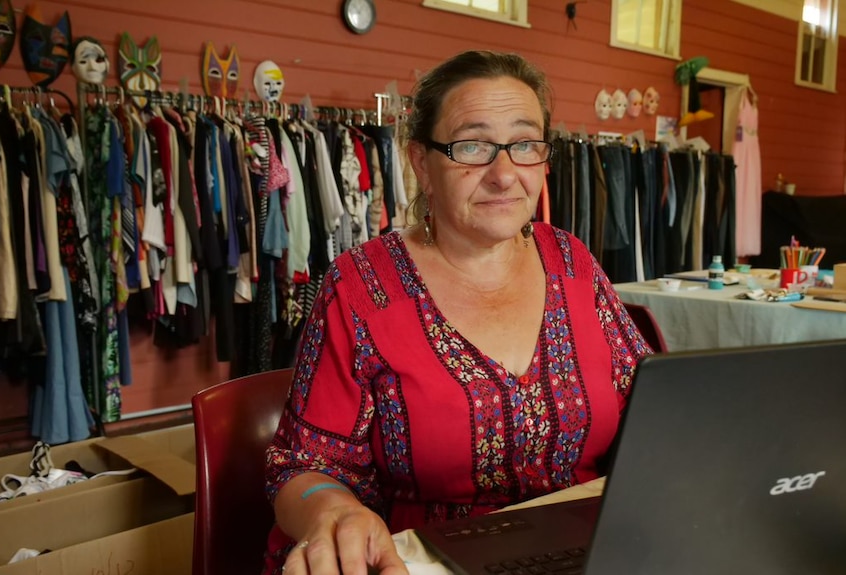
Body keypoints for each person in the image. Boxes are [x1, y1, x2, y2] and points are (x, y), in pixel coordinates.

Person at [263, 50, 652, 575]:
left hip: (587, 550)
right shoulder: (361, 287)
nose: (504, 175)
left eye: (524, 144)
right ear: (421, 163)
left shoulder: (572, 262)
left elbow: (648, 405)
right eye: (472, 146)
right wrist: (334, 513)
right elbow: (303, 466)